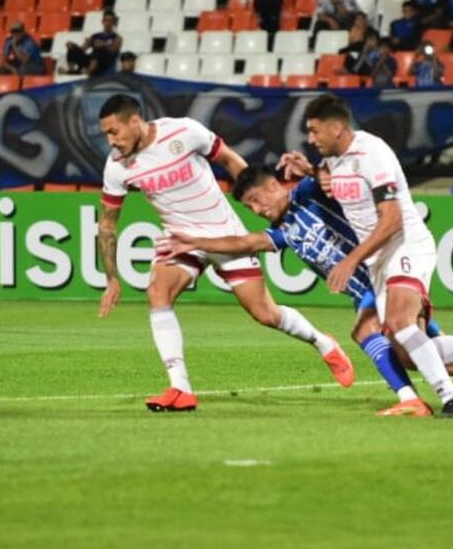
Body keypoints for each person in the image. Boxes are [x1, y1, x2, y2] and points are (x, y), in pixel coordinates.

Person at [158, 166, 453, 415]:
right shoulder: (284, 230)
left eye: (256, 201)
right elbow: (246, 244)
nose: (257, 210)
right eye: (249, 208)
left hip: (385, 277)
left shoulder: (307, 196)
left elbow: (327, 181)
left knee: (365, 332)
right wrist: (194, 242)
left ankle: (412, 398)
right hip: (369, 291)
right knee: (440, 360)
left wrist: (315, 169)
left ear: (273, 187)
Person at [95, 95, 354, 412]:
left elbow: (230, 161)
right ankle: (180, 387)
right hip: (181, 237)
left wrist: (258, 199)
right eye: (106, 134)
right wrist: (112, 278)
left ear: (134, 121)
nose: (111, 141)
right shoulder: (116, 167)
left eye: (114, 132)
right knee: (158, 292)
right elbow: (107, 225)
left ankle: (323, 342)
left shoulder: (184, 132)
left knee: (265, 314)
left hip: (225, 233)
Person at [278, 93, 453, 418]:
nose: (310, 138)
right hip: (379, 261)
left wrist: (350, 260)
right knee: (404, 350)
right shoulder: (334, 159)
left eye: (315, 130)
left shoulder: (371, 152)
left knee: (399, 323)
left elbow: (392, 220)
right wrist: (310, 170)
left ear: (337, 127)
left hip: (406, 245)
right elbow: (333, 181)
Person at [66, 10, 122, 76]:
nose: (108, 23)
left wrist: (104, 44)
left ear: (114, 23)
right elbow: (82, 49)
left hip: (105, 63)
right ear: (102, 21)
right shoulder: (95, 36)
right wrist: (74, 46)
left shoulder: (117, 38)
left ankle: (88, 72)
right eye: (106, 20)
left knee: (99, 49)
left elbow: (113, 50)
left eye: (110, 21)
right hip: (93, 60)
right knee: (72, 49)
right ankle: (71, 70)